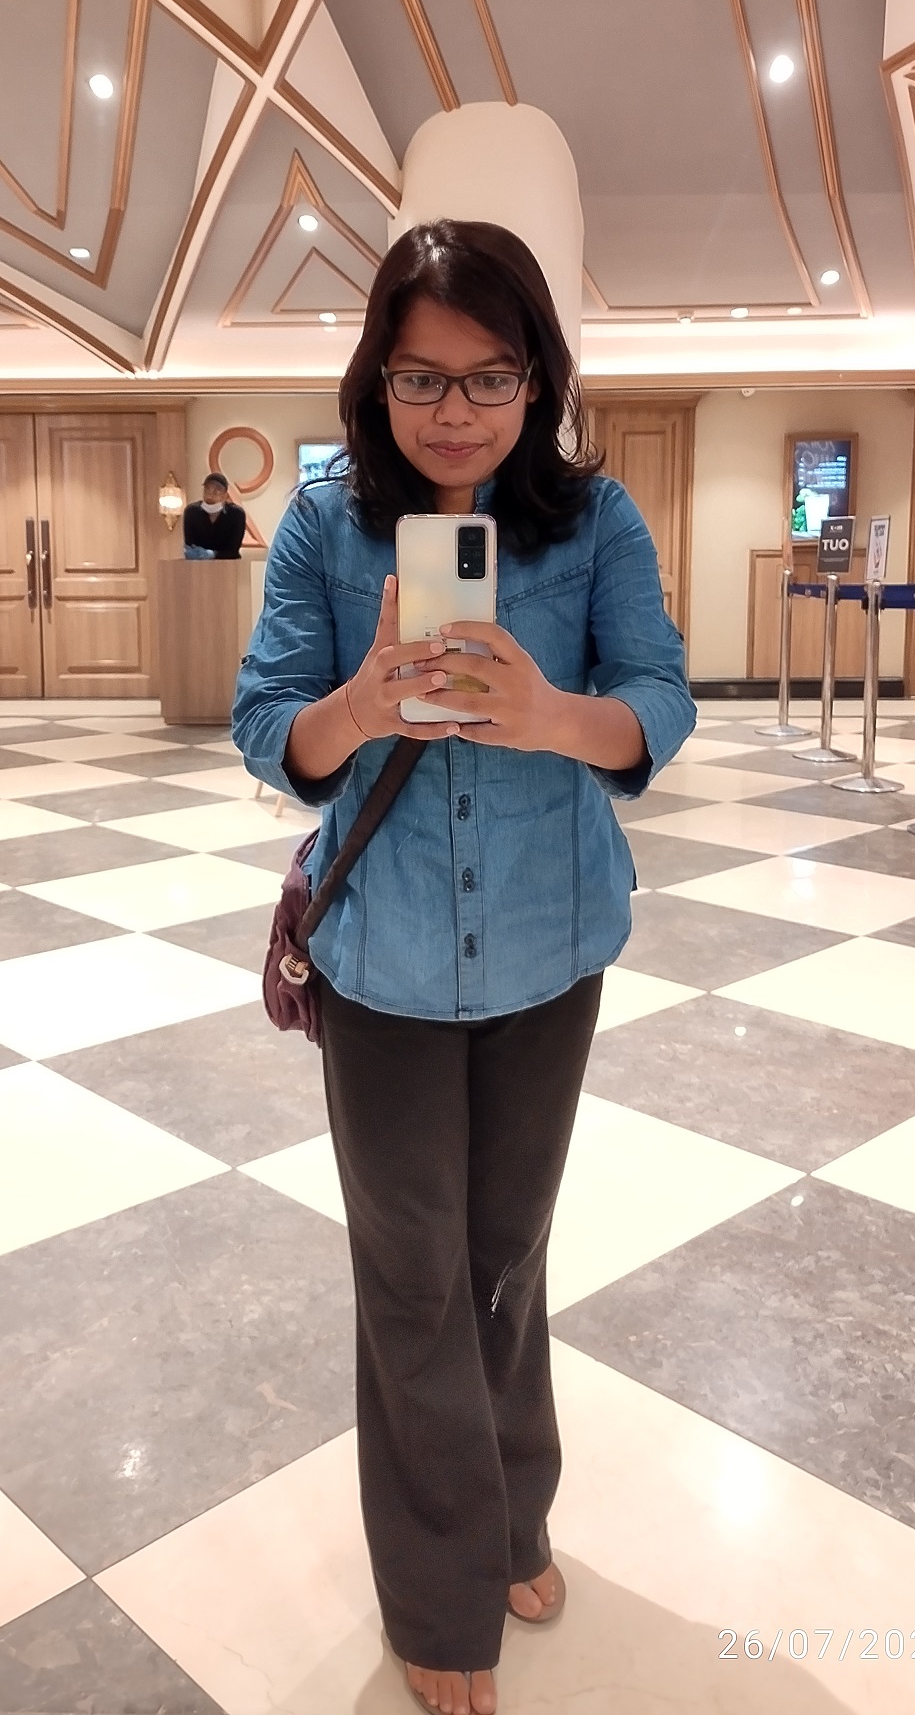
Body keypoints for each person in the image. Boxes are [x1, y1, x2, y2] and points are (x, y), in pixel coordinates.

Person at [232, 220, 694, 1715]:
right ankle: (441, 1591)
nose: (455, 411)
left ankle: (515, 1513)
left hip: (554, 946)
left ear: (538, 378)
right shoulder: (323, 526)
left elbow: (661, 697)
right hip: (383, 959)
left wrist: (554, 716)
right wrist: (361, 705)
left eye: (491, 376)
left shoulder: (594, 521)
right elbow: (266, 725)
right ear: (377, 379)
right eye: (422, 377)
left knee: (506, 1252)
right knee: (414, 1272)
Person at [182, 471, 247, 558]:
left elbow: (233, 550)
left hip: (228, 564)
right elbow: (190, 545)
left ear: (225, 495)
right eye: (207, 489)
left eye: (216, 491)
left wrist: (212, 554)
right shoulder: (192, 512)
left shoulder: (236, 514)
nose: (210, 495)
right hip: (198, 564)